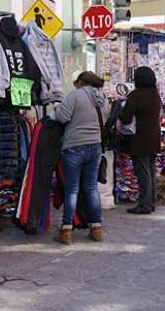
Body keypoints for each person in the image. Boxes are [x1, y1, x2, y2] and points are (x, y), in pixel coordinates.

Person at [54, 71, 107, 245]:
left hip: (74, 147)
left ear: (81, 82)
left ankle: (67, 230)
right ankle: (97, 228)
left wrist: (55, 110)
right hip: (95, 147)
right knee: (92, 188)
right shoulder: (103, 99)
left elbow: (63, 117)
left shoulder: (75, 96)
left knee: (72, 190)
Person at [119, 66, 162, 215]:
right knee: (150, 171)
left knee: (143, 173)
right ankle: (150, 203)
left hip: (140, 138)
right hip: (154, 137)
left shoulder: (135, 95)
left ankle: (144, 205)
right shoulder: (155, 94)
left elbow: (126, 118)